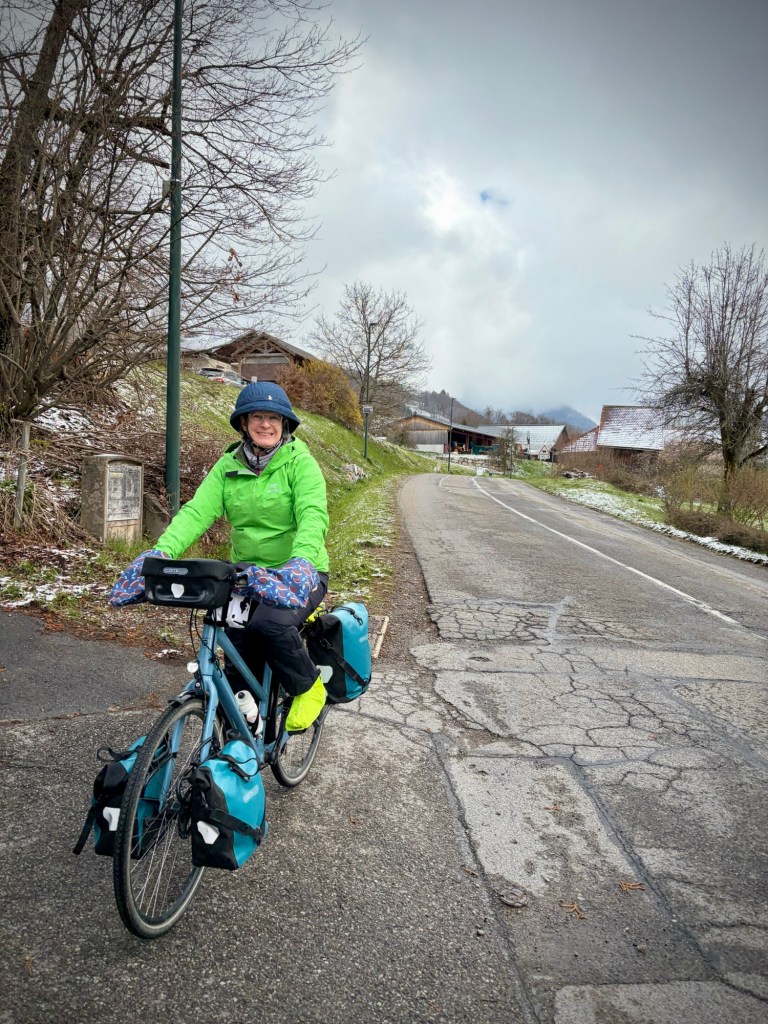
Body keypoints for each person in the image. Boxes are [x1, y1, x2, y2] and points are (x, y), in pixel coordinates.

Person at [109, 381, 330, 732]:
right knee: (235, 644)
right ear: (243, 422)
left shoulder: (300, 464)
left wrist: (302, 560)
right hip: (247, 574)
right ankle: (244, 730)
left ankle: (308, 686)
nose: (265, 424)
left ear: (285, 423)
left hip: (299, 573)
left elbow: (312, 516)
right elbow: (197, 512)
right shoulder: (227, 467)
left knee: (268, 625)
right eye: (257, 416)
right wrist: (161, 551)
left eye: (273, 417)